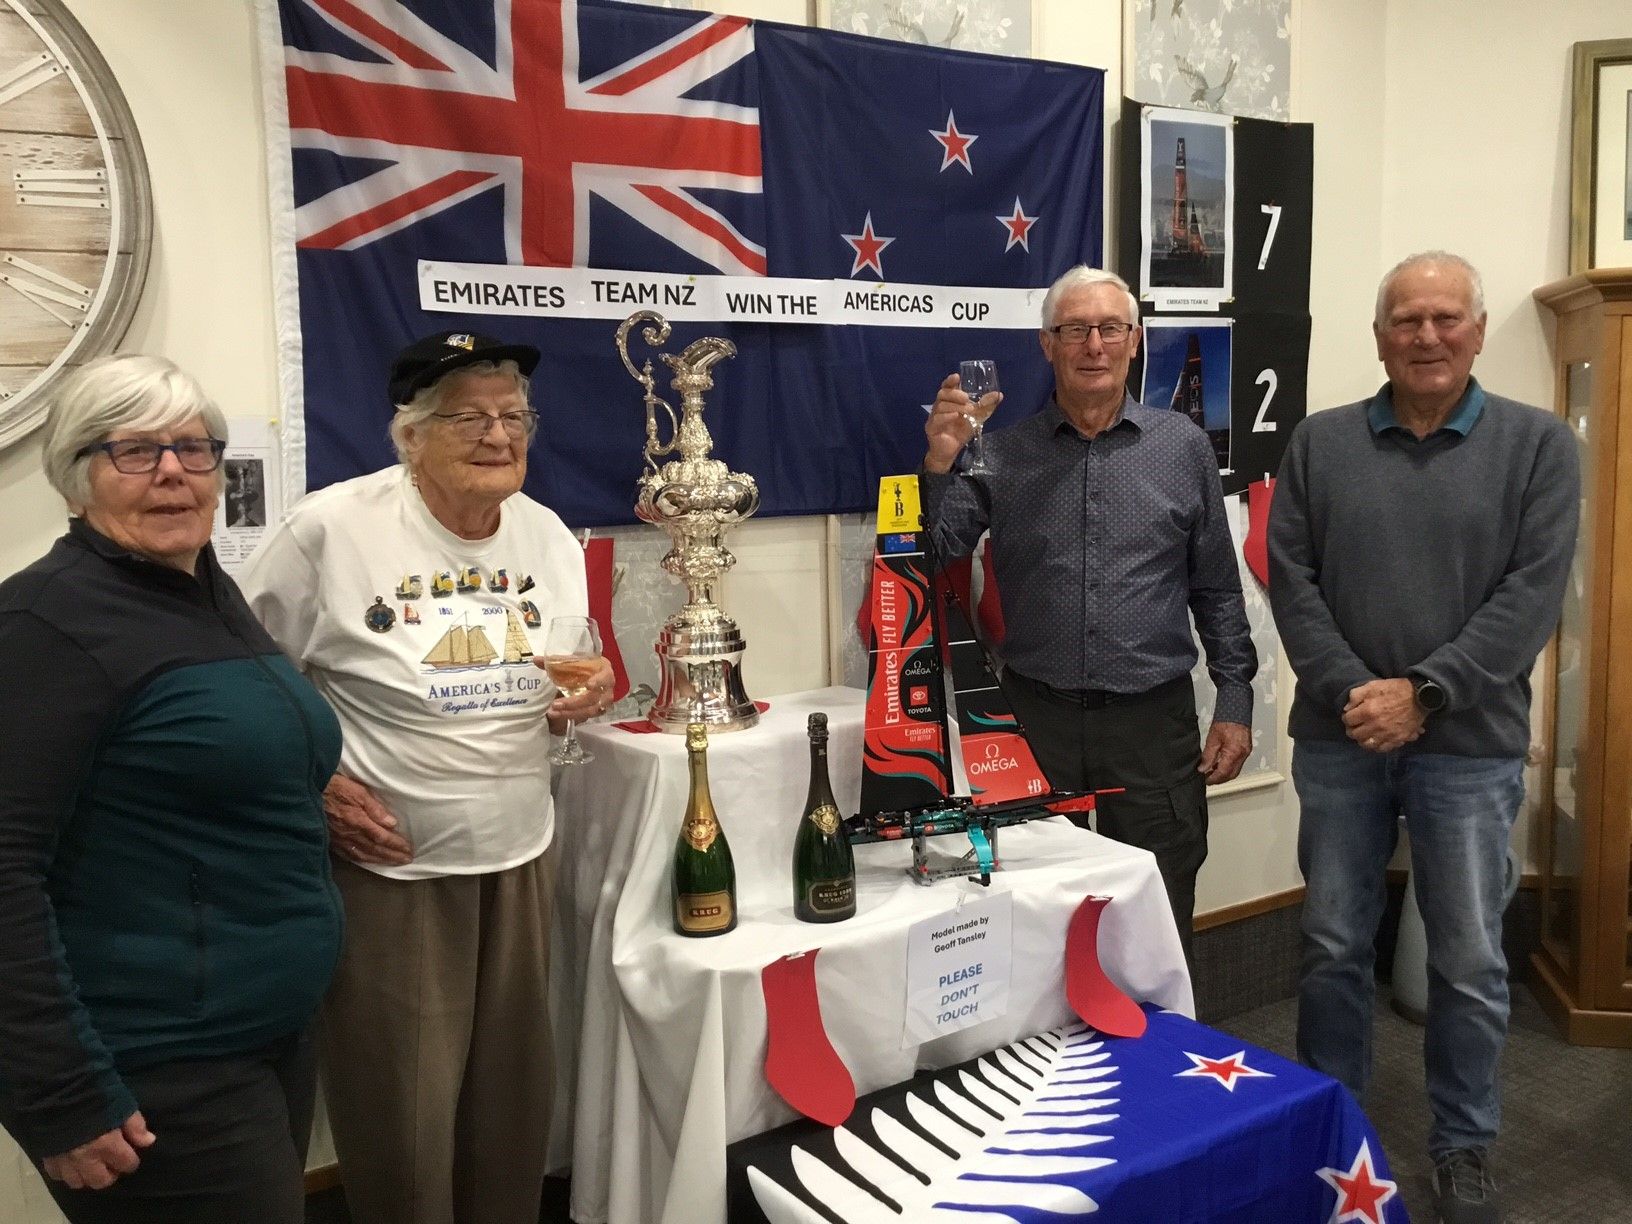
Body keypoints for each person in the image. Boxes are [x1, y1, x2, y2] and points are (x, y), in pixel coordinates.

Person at [238, 330, 613, 1224]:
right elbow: (244, 665)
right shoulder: (332, 528)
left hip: (521, 855)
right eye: (468, 418)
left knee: (512, 1109)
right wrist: (316, 784)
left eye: (512, 415)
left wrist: (590, 688)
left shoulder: (546, 532)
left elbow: (574, 662)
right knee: (404, 1124)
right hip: (393, 874)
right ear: (410, 436)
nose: (497, 434)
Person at [1268, 251, 1579, 1224]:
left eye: (1447, 317)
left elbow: (1530, 599)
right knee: (1329, 943)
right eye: (1407, 319)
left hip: (1471, 746)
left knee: (1471, 958)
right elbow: (1292, 581)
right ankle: (1335, 1127)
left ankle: (1464, 1140)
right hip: (1338, 735)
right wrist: (1360, 692)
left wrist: (1425, 693)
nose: (1427, 334)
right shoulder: (1318, 444)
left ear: (1479, 332)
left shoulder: (1539, 447)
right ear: (1379, 337)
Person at [0, 355, 343, 1224]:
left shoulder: (203, 591)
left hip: (265, 1034)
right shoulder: (45, 624)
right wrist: (60, 1093)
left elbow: (209, 757)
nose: (173, 474)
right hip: (158, 1065)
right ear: (75, 478)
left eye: (194, 449)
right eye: (135, 452)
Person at [921, 265, 1256, 959]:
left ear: (1134, 341)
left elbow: (1217, 587)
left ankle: (1159, 1054)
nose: (1093, 345)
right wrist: (939, 461)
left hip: (1151, 725)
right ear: (1048, 345)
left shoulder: (1183, 447)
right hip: (1035, 719)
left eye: (1109, 328)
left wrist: (1235, 698)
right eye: (1075, 330)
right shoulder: (999, 452)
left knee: (1158, 903)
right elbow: (936, 551)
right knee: (1036, 906)